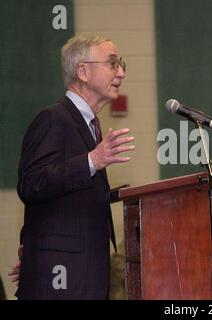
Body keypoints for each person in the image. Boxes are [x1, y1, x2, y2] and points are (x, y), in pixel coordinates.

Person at [15, 35, 134, 299]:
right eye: (113, 64)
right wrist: (93, 160)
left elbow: (53, 196)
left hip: (84, 271)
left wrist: (30, 245)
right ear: (83, 71)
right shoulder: (53, 119)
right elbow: (31, 184)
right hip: (63, 277)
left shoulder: (90, 124)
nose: (122, 72)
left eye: (121, 64)